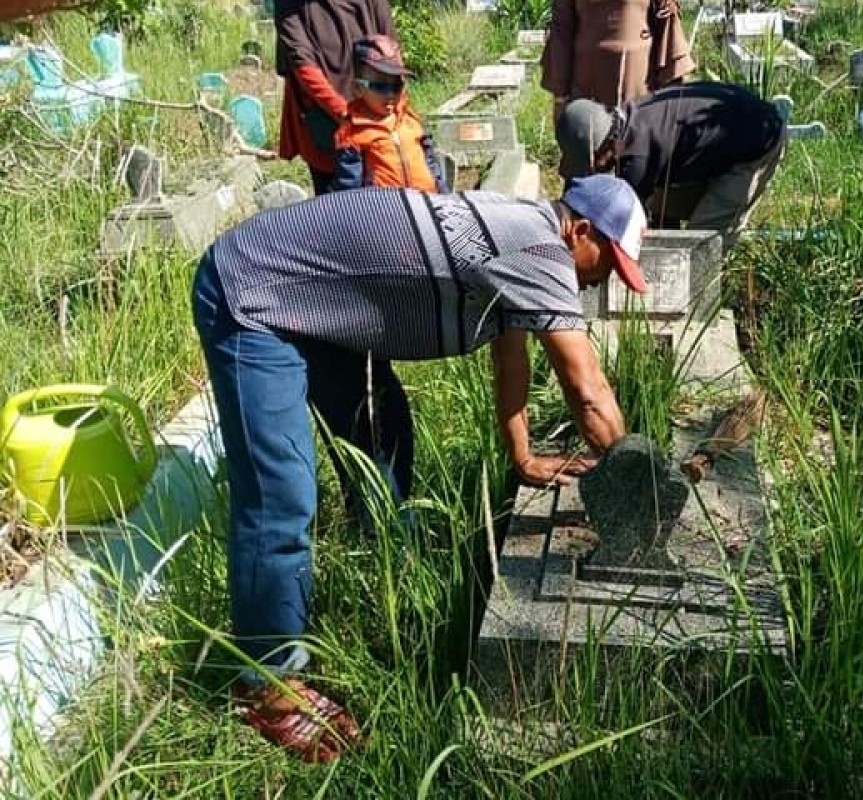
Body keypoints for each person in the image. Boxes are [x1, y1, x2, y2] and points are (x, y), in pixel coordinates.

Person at [191, 174, 648, 762]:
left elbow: (513, 359)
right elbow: (588, 393)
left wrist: (523, 456)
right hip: (251, 290)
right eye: (605, 262)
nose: (601, 278)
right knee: (281, 494)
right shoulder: (539, 250)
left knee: (381, 427)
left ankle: (380, 578)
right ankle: (267, 687)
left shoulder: (528, 239)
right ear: (579, 228)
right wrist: (645, 485)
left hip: (309, 292)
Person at [556, 81, 786, 251]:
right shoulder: (622, 120)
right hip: (728, 130)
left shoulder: (638, 159)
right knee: (660, 202)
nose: (593, 171)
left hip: (757, 141)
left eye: (591, 165)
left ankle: (697, 301)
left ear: (603, 150)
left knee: (701, 240)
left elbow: (624, 226)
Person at [274, 0, 395, 195]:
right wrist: (347, 115)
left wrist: (392, 104)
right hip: (325, 124)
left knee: (383, 203)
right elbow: (302, 63)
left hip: (376, 116)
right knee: (335, 209)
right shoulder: (290, 5)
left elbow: (391, 51)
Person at [330, 35, 448, 193]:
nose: (390, 94)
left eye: (396, 86)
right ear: (358, 88)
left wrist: (444, 196)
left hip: (425, 203)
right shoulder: (352, 133)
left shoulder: (411, 120)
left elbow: (432, 166)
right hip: (385, 211)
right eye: (380, 86)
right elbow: (349, 187)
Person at [541, 0, 695, 121]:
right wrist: (560, 96)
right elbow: (562, 29)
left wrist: (671, 93)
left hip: (638, 83)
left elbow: (667, 24)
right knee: (589, 151)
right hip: (587, 85)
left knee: (638, 147)